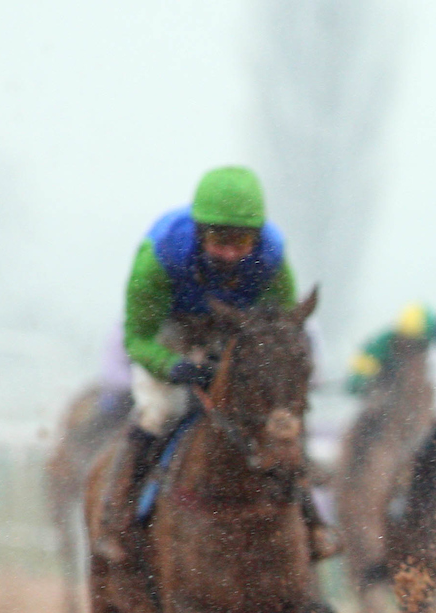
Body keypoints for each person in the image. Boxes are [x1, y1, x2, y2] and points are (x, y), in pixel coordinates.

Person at [95, 165, 333, 562]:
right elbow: (136, 339)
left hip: (237, 328)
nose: (228, 252)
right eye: (218, 240)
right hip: (171, 328)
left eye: (240, 241)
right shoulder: (159, 255)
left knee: (278, 414)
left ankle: (311, 522)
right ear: (199, 231)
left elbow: (280, 327)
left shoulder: (273, 258)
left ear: (256, 237)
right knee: (161, 409)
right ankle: (115, 517)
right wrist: (174, 367)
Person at [346, 302, 436, 396]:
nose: (411, 348)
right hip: (383, 392)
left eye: (418, 344)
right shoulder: (378, 347)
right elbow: (356, 382)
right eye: (408, 341)